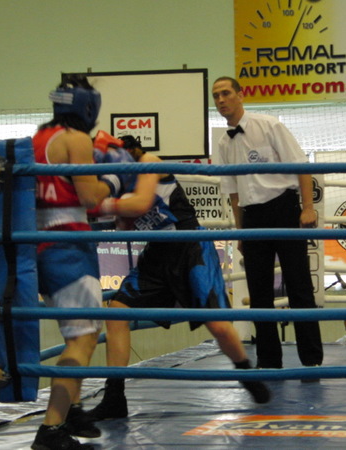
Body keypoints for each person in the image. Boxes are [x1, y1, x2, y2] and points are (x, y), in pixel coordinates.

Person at [84, 133, 271, 422]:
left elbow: (139, 204)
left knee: (219, 326)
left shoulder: (149, 161)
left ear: (128, 152)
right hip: (157, 254)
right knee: (117, 313)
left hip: (191, 250)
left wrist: (101, 206)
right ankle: (114, 397)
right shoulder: (119, 181)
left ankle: (246, 373)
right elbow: (127, 221)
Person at [31, 75, 128, 450]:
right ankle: (51, 428)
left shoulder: (40, 137)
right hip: (69, 246)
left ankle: (71, 410)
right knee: (83, 338)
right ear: (89, 106)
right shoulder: (76, 139)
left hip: (42, 244)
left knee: (78, 333)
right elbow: (89, 197)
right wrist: (116, 178)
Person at [211, 76, 323, 370]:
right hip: (252, 217)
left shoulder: (269, 125)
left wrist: (308, 208)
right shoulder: (223, 143)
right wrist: (240, 232)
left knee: (299, 286)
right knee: (259, 293)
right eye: (216, 96)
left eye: (226, 93)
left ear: (240, 95)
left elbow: (301, 166)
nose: (221, 100)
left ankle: (312, 360)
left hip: (284, 209)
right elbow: (233, 193)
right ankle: (269, 361)